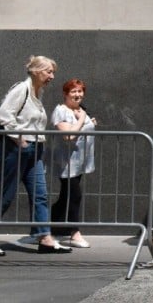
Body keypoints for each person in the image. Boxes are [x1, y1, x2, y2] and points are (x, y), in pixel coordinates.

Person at [0, 55, 72, 255]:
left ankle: (45, 238)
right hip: (17, 149)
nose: (52, 76)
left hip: (35, 150)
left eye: (53, 72)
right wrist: (19, 139)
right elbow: (3, 115)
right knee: (5, 195)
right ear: (36, 71)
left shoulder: (37, 92)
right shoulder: (21, 90)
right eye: (49, 71)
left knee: (40, 194)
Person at [49, 78, 98, 248]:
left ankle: (49, 229)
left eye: (80, 91)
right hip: (66, 162)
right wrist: (82, 118)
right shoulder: (61, 111)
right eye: (73, 91)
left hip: (80, 162)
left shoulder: (80, 110)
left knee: (65, 197)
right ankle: (74, 234)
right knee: (74, 195)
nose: (78, 95)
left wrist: (89, 123)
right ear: (65, 94)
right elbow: (68, 136)